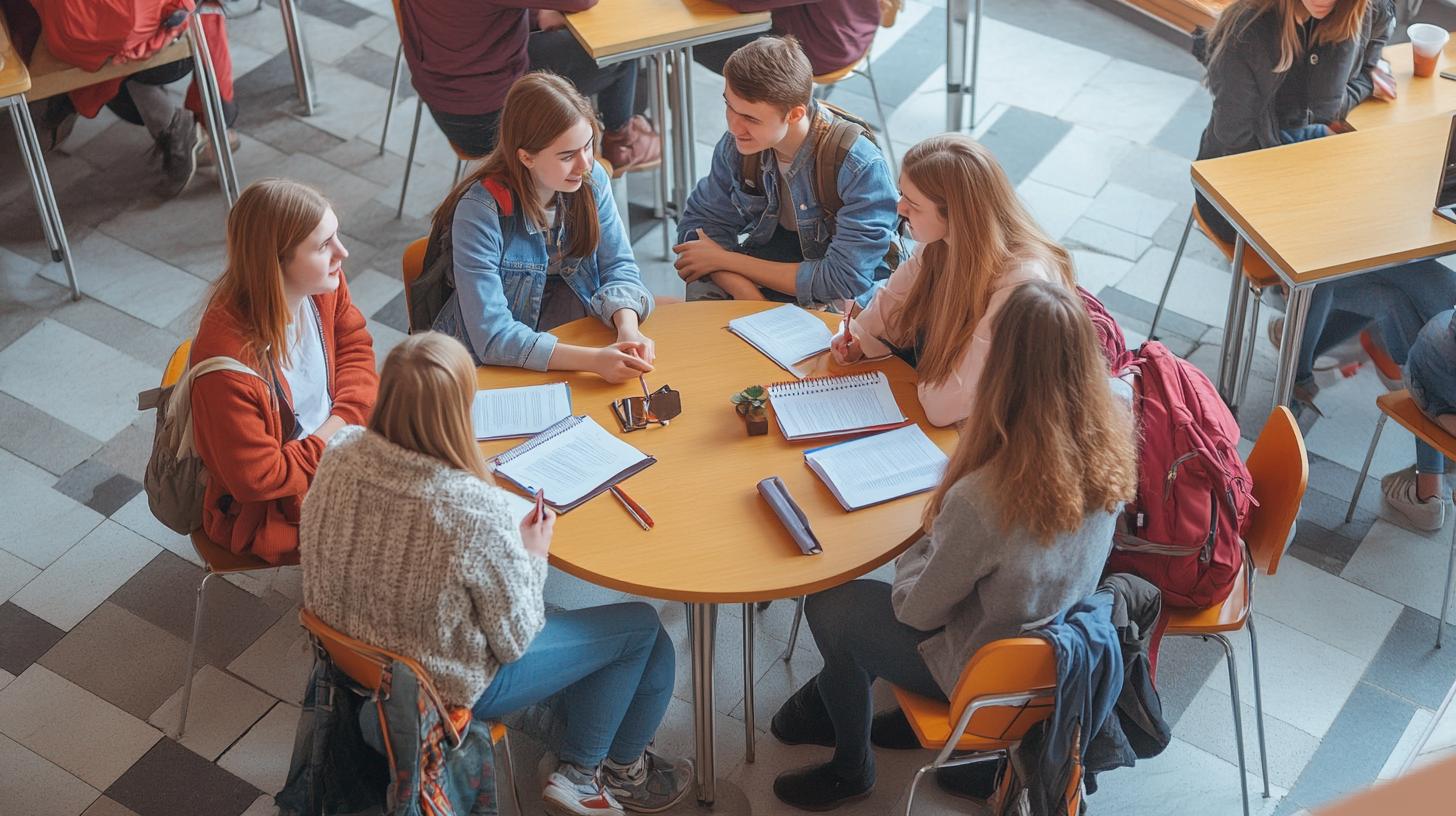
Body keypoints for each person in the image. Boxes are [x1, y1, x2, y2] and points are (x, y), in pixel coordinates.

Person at [768, 280, 1138, 811]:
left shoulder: (988, 496)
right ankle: (962, 759)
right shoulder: (1112, 439)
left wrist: (923, 539)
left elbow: (915, 609)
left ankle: (850, 767)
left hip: (978, 672)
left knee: (831, 604)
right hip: (1053, 658)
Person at [300, 332, 691, 816]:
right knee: (642, 629)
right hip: (446, 686)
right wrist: (532, 555)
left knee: (643, 648)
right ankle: (584, 775)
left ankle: (600, 758)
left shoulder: (341, 451)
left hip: (355, 661)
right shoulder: (467, 508)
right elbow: (514, 641)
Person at [1195, 0, 1456, 410]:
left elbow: (1327, 102)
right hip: (1234, 188)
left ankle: (1421, 400)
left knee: (1388, 261)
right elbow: (1237, 146)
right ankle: (1426, 399)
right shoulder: (1251, 33)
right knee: (1364, 257)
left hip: (1296, 159)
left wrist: (1352, 42)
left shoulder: (1343, 16)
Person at [189, 179, 377, 564]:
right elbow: (261, 478)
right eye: (324, 246)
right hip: (272, 509)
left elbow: (357, 346)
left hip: (334, 447)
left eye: (336, 237)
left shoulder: (325, 285)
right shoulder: (227, 371)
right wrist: (341, 432)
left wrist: (343, 422)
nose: (343, 252)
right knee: (409, 530)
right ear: (276, 262)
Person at [831, 134, 1077, 427]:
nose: (899, 208)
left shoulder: (1021, 284)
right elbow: (887, 314)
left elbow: (945, 404)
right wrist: (857, 342)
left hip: (1011, 432)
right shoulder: (940, 245)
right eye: (902, 194)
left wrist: (919, 373)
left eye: (913, 204)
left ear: (956, 215)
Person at [427, 72, 657, 384]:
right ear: (526, 157)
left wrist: (628, 329)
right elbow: (492, 337)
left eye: (588, 146)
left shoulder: (591, 181)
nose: (585, 164)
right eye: (567, 156)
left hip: (571, 336)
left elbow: (618, 265)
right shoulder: (479, 212)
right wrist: (595, 361)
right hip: (491, 368)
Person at [674, 35, 900, 304]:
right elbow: (699, 228)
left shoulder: (858, 165)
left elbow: (843, 279)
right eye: (729, 106)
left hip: (843, 296)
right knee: (701, 313)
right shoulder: (739, 144)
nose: (734, 127)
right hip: (767, 268)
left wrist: (725, 260)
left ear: (794, 115)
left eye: (750, 118)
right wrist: (747, 294)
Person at [396, 0, 659, 168]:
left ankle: (614, 136)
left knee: (582, 41)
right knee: (619, 52)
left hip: (448, 86)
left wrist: (536, 14)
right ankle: (622, 143)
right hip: (492, 118)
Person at [1381, 309, 1456, 530]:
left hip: (1437, 390)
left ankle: (1427, 493)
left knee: (1399, 296)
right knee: (1400, 296)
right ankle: (1431, 480)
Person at [691, 0, 882, 78]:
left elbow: (745, 2)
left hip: (818, 50)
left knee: (682, 42)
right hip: (858, 27)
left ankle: (661, 128)